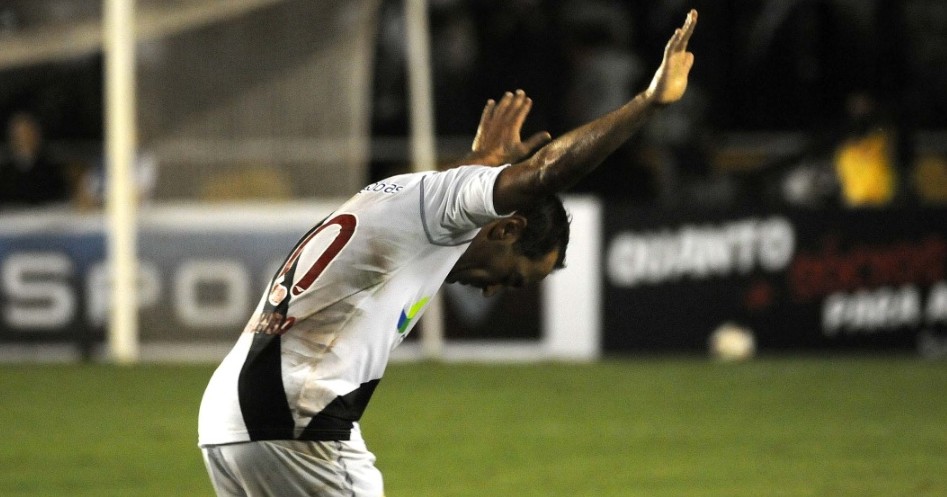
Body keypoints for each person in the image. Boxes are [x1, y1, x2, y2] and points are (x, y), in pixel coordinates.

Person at [198, 9, 698, 497]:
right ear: (507, 229)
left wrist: (479, 161)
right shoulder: (446, 211)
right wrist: (647, 103)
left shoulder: (407, 198)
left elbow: (438, 198)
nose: (493, 291)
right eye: (512, 277)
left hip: (228, 420)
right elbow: (547, 172)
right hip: (295, 417)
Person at [0, 111, 74, 208]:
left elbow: (59, 199)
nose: (24, 139)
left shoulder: (52, 171)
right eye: (20, 135)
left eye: (28, 134)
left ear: (37, 136)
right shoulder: (4, 174)